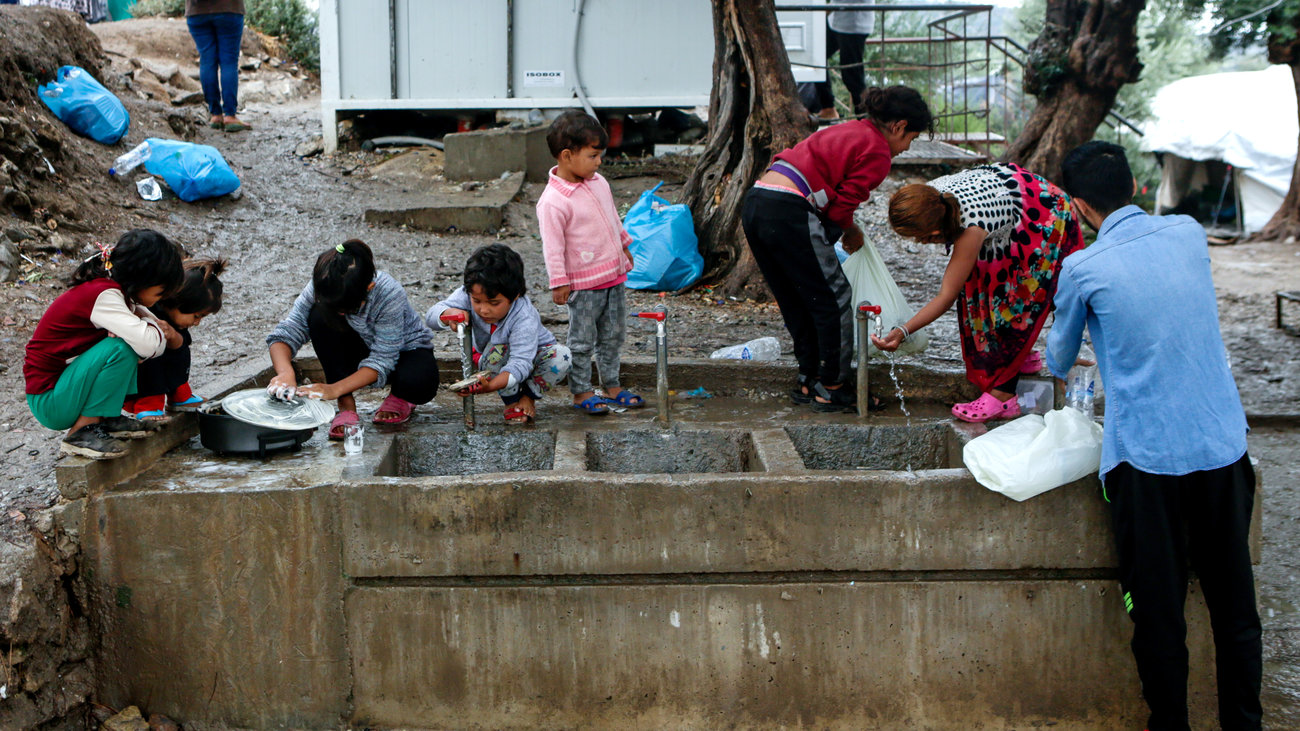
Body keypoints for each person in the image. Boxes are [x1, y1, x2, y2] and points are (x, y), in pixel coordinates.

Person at [1048, 141, 1260, 731]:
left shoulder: (1082, 268)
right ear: (1137, 188)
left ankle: (1171, 724)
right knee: (1235, 608)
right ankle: (1246, 722)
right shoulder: (1189, 233)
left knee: (1160, 615)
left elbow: (1060, 358)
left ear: (1079, 206)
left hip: (1146, 462)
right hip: (1221, 445)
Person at [743, 85, 932, 412]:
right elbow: (841, 209)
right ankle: (832, 386)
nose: (906, 147)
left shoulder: (850, 129)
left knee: (797, 298)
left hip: (758, 200)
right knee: (834, 298)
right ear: (899, 126)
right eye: (911, 138)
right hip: (790, 210)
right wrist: (850, 231)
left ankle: (809, 378)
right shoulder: (878, 151)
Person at [876, 162, 1084, 422]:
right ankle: (1021, 357)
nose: (920, 244)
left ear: (935, 232)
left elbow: (946, 295)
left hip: (1044, 214)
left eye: (921, 238)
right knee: (978, 289)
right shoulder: (932, 199)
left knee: (1014, 303)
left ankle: (1004, 396)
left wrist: (903, 331)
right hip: (1010, 205)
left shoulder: (971, 226)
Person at [24, 229, 185, 459]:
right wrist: (153, 326)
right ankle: (82, 431)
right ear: (142, 280)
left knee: (126, 343)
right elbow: (150, 344)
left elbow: (152, 343)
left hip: (64, 390)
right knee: (121, 348)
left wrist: (148, 323)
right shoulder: (104, 295)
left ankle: (105, 417)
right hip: (49, 399)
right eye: (159, 293)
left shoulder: (116, 293)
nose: (160, 301)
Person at [266, 239, 438, 440]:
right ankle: (346, 405)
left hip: (402, 352)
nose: (340, 314)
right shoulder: (323, 285)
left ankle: (400, 398)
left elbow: (383, 358)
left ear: (369, 288)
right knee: (318, 317)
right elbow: (287, 331)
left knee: (419, 381)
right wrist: (286, 374)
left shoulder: (388, 293)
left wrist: (333, 388)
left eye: (346, 309)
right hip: (355, 348)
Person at [537, 110, 643, 416]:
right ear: (567, 156)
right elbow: (553, 248)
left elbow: (611, 217)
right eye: (593, 155)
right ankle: (581, 391)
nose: (599, 162)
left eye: (600, 155)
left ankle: (612, 385)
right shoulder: (553, 202)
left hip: (613, 277)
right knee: (582, 340)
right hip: (583, 286)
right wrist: (559, 282)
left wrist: (623, 244)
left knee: (613, 335)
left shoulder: (598, 182)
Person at [427, 244, 572, 425]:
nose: (483, 310)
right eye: (477, 301)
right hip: (494, 359)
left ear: (515, 296)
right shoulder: (467, 294)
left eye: (494, 303)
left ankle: (528, 397)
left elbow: (521, 362)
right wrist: (448, 314)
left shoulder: (524, 316)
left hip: (531, 358)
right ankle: (511, 402)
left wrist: (489, 387)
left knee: (562, 356)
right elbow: (431, 316)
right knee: (497, 353)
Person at [122, 258, 227, 422]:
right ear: (177, 302)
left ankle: (180, 394)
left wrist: (173, 335)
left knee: (182, 351)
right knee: (153, 357)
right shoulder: (149, 309)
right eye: (196, 316)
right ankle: (149, 403)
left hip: (167, 360)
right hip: (144, 372)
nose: (197, 322)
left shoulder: (178, 324)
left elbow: (180, 345)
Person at [186, 0, 249, 132]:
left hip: (197, 11)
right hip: (229, 9)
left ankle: (215, 114)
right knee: (229, 62)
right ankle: (230, 115)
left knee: (207, 61)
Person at [812, 0, 874, 119]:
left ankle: (866, 119)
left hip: (853, 23)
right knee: (815, 56)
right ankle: (828, 108)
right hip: (835, 19)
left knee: (852, 76)